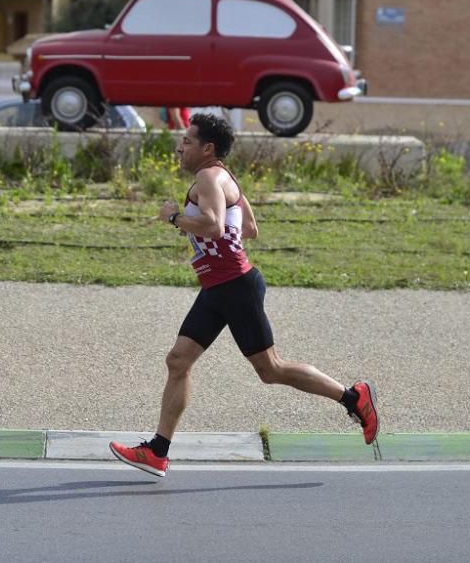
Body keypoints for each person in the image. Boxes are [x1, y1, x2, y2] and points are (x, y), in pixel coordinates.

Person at [109, 113, 378, 478]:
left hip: (235, 287)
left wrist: (175, 218)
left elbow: (215, 225)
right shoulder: (224, 178)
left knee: (271, 370)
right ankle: (158, 451)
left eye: (186, 141)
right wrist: (208, 230)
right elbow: (249, 228)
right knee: (178, 361)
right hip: (218, 287)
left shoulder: (207, 177)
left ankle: (353, 396)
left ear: (207, 148)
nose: (179, 147)